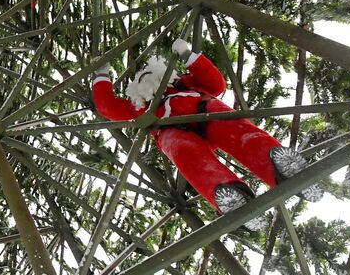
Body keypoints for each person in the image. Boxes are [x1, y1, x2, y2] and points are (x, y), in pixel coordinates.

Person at [92, 39, 322, 231]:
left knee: (236, 130)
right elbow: (107, 106)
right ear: (135, 91)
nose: (146, 79)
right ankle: (229, 194)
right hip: (172, 131)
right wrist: (101, 76)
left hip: (204, 110)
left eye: (148, 74)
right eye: (141, 79)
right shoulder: (137, 108)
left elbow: (216, 83)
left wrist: (189, 56)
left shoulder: (187, 84)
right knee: (189, 158)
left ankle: (277, 164)